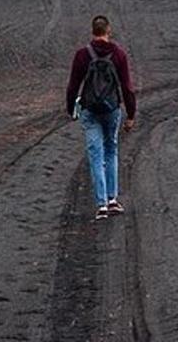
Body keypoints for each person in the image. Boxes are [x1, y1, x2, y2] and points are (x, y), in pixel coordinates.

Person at [66, 15, 137, 220]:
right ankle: (113, 199)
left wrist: (71, 108)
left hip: (89, 110)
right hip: (111, 109)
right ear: (108, 31)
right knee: (111, 150)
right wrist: (131, 114)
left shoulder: (82, 55)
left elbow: (73, 86)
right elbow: (127, 88)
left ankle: (101, 203)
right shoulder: (118, 54)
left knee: (95, 154)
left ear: (92, 31)